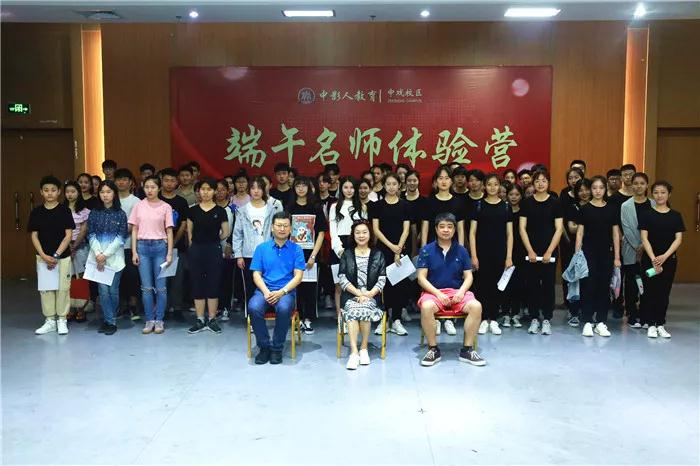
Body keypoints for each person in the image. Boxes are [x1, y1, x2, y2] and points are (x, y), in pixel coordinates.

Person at [416, 213, 486, 367]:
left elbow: (468, 276)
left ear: (454, 230)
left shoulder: (462, 250)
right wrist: (438, 293)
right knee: (426, 307)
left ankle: (467, 350)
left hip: (457, 292)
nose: (446, 230)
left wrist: (461, 292)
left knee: (476, 306)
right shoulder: (426, 250)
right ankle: (433, 349)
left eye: (449, 227)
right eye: (442, 227)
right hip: (434, 293)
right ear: (436, 229)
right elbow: (421, 278)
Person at [249, 212, 306, 364]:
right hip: (264, 290)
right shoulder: (261, 248)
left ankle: (276, 348)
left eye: (285, 226)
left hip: (286, 292)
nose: (282, 229)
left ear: (290, 228)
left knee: (283, 308)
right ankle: (264, 347)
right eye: (279, 225)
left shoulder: (296, 249)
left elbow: (298, 276)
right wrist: (266, 292)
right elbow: (256, 274)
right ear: (272, 228)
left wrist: (281, 292)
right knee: (254, 307)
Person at [519, 169, 564, 335]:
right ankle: (534, 318)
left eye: (544, 180)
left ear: (548, 183)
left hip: (549, 251)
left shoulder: (555, 203)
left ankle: (546, 318)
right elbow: (522, 228)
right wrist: (530, 250)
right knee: (532, 285)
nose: (540, 184)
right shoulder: (526, 203)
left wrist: (549, 251)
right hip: (530, 251)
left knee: (548, 285)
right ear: (533, 183)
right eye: (537, 180)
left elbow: (559, 229)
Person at [575, 176, 621, 337]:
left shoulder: (612, 209)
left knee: (603, 287)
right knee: (588, 286)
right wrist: (577, 255)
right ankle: (587, 321)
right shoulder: (585, 209)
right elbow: (579, 233)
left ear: (605, 189)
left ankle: (601, 321)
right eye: (594, 188)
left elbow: (615, 234)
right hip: (588, 253)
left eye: (601, 187)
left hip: (606, 253)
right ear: (590, 190)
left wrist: (617, 257)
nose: (597, 191)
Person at [30, 175, 76, 335]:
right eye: (46, 190)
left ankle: (62, 319)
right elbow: (34, 235)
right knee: (46, 289)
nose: (50, 193)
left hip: (62, 257)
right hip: (43, 258)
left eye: (53, 190)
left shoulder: (64, 211)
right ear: (41, 192)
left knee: (63, 288)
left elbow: (68, 235)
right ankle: (50, 320)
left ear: (59, 192)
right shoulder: (36, 212)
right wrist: (43, 255)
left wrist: (56, 255)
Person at [639, 181, 685, 339]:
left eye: (663, 192)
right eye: (656, 192)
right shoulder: (646, 214)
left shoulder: (675, 216)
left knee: (664, 292)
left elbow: (678, 239)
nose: (659, 195)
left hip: (669, 260)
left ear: (669, 194)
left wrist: (664, 257)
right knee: (650, 291)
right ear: (652, 194)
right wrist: (653, 258)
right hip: (650, 259)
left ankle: (660, 323)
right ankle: (651, 324)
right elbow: (644, 238)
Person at [129, 176, 174, 334]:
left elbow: (169, 231)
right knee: (146, 288)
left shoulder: (166, 207)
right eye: (147, 187)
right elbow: (134, 229)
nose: (150, 190)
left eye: (153, 187)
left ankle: (159, 320)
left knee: (161, 288)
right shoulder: (138, 206)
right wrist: (134, 251)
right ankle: (149, 320)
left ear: (159, 188)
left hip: (160, 247)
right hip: (142, 247)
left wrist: (170, 253)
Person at [338, 220, 386, 369]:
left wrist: (368, 294)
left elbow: (382, 279)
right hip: (351, 295)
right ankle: (354, 352)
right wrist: (358, 293)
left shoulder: (378, 254)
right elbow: (342, 278)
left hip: (371, 296)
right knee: (352, 310)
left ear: (370, 234)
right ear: (353, 235)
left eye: (364, 232)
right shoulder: (347, 254)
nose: (361, 235)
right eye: (357, 232)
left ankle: (364, 348)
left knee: (365, 308)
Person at [469, 174, 513, 335]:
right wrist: (474, 255)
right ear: (484, 186)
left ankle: (493, 319)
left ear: (499, 186)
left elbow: (510, 234)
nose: (492, 187)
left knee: (496, 286)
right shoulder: (479, 205)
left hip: (500, 252)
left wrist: (509, 256)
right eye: (489, 184)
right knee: (482, 285)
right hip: (482, 252)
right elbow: (472, 233)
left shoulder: (506, 206)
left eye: (495, 184)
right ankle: (482, 319)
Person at [186, 178, 230, 334]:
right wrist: (194, 246)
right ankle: (200, 319)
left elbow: (226, 232)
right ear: (198, 192)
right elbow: (189, 233)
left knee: (213, 283)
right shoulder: (192, 210)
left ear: (214, 191)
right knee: (197, 283)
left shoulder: (220, 211)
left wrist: (214, 239)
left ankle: (212, 319)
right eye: (202, 189)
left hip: (214, 249)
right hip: (196, 250)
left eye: (209, 189)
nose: (205, 192)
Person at [233, 176, 283, 308]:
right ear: (249, 190)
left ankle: (268, 313)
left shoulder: (272, 209)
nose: (256, 191)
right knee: (249, 286)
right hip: (248, 254)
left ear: (264, 190)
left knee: (269, 285)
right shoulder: (242, 210)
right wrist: (238, 255)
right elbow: (237, 234)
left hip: (269, 253)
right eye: (253, 188)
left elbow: (279, 232)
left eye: (259, 188)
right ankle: (251, 314)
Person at [370, 173, 411, 336]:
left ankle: (397, 320)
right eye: (388, 184)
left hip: (400, 249)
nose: (392, 187)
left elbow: (406, 229)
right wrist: (392, 247)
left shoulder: (405, 205)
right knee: (383, 285)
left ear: (399, 185)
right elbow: (376, 229)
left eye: (395, 184)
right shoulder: (377, 206)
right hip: (383, 250)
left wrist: (398, 248)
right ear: (384, 185)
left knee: (400, 285)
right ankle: (384, 319)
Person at [286, 177, 327, 334]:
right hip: (292, 254)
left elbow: (321, 233)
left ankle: (308, 319)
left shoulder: (315, 207)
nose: (301, 188)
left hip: (311, 254)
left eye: (304, 186)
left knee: (310, 289)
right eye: (298, 186)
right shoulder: (289, 207)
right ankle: (296, 318)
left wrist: (313, 256)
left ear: (309, 188)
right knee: (295, 288)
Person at [87, 180, 128, 335]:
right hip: (98, 258)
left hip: (115, 259)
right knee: (103, 291)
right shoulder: (94, 213)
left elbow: (121, 238)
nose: (105, 195)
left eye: (108, 192)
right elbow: (90, 234)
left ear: (114, 194)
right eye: (102, 192)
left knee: (113, 291)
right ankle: (110, 321)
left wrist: (105, 254)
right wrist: (98, 254)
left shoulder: (121, 214)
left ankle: (110, 319)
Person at [329, 177, 368, 316]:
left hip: (356, 246)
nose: (349, 190)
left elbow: (364, 230)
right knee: (339, 285)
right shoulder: (334, 207)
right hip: (338, 247)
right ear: (341, 189)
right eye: (346, 187)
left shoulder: (362, 207)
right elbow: (333, 230)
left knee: (356, 283)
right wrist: (339, 250)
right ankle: (340, 316)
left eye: (351, 187)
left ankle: (355, 314)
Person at [620, 173, 654, 328]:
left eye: (642, 183)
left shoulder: (654, 203)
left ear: (647, 185)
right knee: (631, 284)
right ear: (631, 185)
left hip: (650, 250)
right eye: (635, 183)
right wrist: (638, 247)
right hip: (630, 249)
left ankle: (646, 314)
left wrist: (645, 246)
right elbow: (626, 229)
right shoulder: (625, 206)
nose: (638, 186)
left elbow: (656, 227)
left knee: (648, 283)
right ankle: (632, 314)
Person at [158, 168, 190, 322]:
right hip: (157, 246)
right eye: (166, 180)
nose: (169, 183)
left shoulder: (181, 201)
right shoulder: (155, 199)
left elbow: (183, 224)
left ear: (176, 182)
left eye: (172, 180)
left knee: (178, 279)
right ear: (161, 181)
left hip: (178, 245)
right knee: (161, 279)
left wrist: (173, 243)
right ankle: (162, 309)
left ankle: (177, 309)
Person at [564, 178, 592, 326]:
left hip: (593, 247)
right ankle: (574, 312)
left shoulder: (597, 206)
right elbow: (571, 228)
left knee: (590, 281)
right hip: (575, 248)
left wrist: (581, 226)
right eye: (580, 190)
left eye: (587, 189)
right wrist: (592, 226)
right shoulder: (572, 207)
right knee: (575, 280)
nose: (584, 193)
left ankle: (588, 311)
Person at [115, 168, 141, 320]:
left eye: (125, 179)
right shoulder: (111, 199)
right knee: (118, 276)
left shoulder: (136, 201)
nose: (121, 182)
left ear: (131, 182)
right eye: (119, 179)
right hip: (112, 247)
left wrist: (118, 233)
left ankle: (133, 304)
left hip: (130, 245)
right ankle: (121, 305)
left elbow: (135, 224)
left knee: (132, 276)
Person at [63, 181, 90, 322]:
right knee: (68, 278)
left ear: (78, 193)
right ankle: (70, 308)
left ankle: (81, 308)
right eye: (67, 192)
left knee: (81, 278)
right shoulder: (61, 210)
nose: (70, 194)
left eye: (73, 191)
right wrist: (67, 246)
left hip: (80, 246)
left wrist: (74, 246)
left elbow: (84, 230)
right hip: (64, 247)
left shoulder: (84, 211)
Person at [421, 165, 465, 248]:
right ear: (436, 181)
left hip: (453, 247)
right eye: (440, 178)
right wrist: (423, 249)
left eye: (447, 178)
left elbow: (460, 229)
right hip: (433, 246)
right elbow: (425, 228)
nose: (443, 181)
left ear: (451, 181)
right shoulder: (428, 202)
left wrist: (461, 249)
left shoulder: (458, 202)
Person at [503, 184, 525, 328]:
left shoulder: (524, 211)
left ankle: (516, 313)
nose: (514, 197)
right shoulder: (504, 209)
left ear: (521, 196)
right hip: (505, 250)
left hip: (521, 251)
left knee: (518, 283)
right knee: (505, 283)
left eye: (517, 194)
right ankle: (505, 313)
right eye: (511, 194)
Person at [214, 179, 235, 321]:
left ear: (228, 191)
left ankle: (226, 307)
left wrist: (229, 244)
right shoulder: (210, 207)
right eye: (217, 189)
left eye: (223, 189)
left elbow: (236, 229)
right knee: (214, 279)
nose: (219, 192)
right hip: (212, 248)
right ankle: (215, 307)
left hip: (228, 248)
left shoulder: (233, 209)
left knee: (226, 279)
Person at [316, 173, 337, 310]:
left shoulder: (335, 201)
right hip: (317, 237)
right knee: (318, 266)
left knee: (330, 266)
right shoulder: (313, 200)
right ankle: (318, 295)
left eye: (325, 182)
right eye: (319, 182)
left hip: (331, 237)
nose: (322, 184)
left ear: (330, 184)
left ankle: (329, 295)